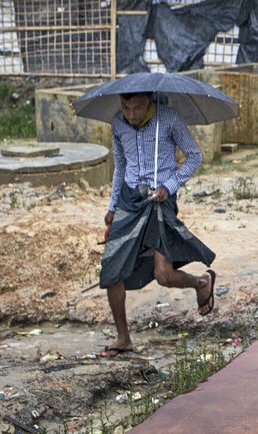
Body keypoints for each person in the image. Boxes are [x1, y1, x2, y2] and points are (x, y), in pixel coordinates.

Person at [98, 92, 216, 357]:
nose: (132, 115)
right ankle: (123, 337)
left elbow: (194, 156)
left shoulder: (169, 119)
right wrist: (111, 207)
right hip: (129, 202)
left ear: (150, 101)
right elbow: (120, 167)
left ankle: (201, 283)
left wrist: (169, 185)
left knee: (164, 275)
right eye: (126, 108)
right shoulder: (118, 124)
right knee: (111, 271)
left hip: (160, 201)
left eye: (138, 107)